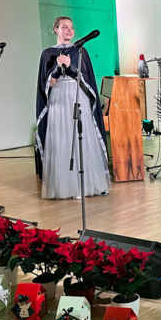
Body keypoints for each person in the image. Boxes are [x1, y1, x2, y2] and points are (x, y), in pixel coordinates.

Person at [35, 16, 111, 199]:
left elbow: (86, 79)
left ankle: (86, 185)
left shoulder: (80, 51)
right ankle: (65, 187)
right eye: (64, 27)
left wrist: (70, 67)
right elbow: (47, 83)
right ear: (56, 29)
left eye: (71, 27)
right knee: (62, 138)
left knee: (81, 137)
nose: (69, 30)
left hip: (78, 96)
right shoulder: (47, 53)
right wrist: (56, 68)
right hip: (59, 99)